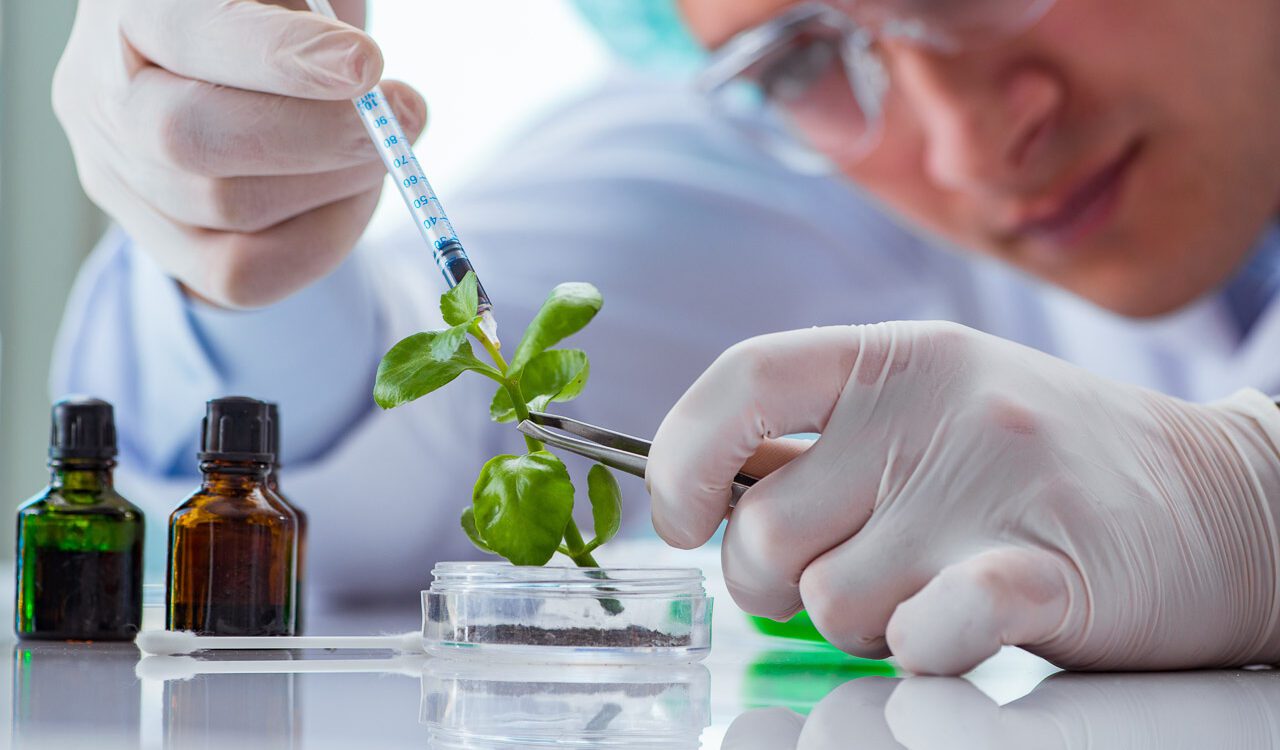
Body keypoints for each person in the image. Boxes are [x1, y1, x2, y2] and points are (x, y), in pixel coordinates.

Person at [49, 0, 1280, 673]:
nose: (965, 145)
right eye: (797, 53)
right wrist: (231, 204)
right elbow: (393, 457)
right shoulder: (765, 151)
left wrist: (1256, 496)